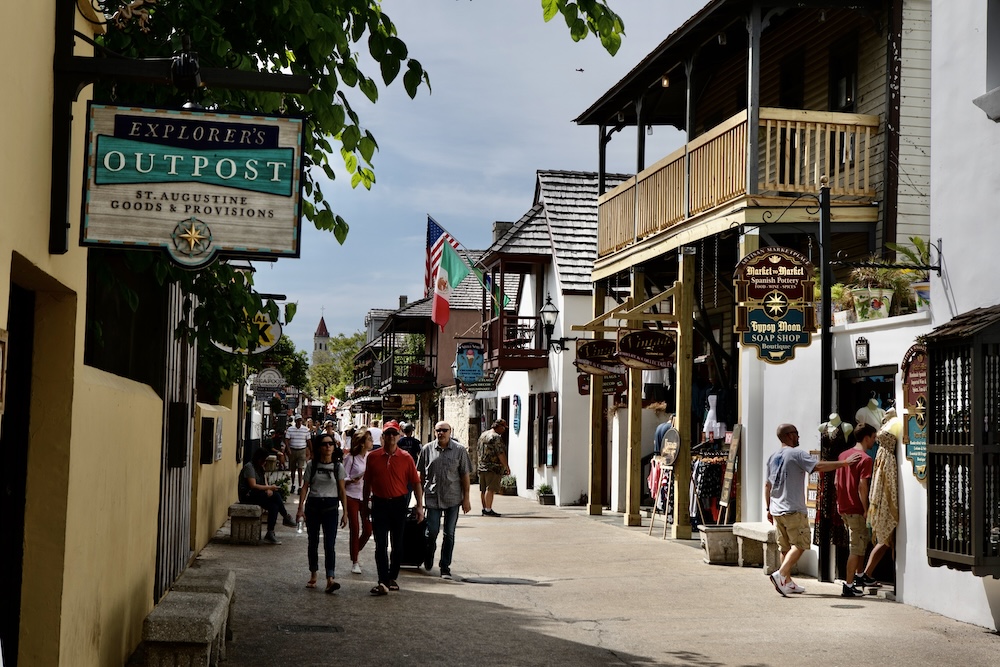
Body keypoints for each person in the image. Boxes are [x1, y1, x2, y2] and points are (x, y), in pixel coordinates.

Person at [765, 423, 860, 597]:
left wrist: (768, 508)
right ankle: (780, 574)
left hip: (777, 509)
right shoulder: (796, 454)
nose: (798, 437)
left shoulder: (773, 457)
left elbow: (767, 485)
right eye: (796, 433)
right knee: (800, 544)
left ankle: (787, 582)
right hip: (793, 508)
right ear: (788, 435)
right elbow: (819, 467)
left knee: (785, 547)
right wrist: (845, 463)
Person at [363, 420, 424, 596]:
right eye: (387, 434)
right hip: (379, 503)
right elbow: (367, 483)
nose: (390, 437)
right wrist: (365, 505)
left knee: (397, 545)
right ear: (383, 437)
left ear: (398, 436)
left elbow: (416, 482)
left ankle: (392, 577)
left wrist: (419, 506)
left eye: (393, 434)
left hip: (398, 503)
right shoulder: (373, 457)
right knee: (380, 544)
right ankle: (383, 580)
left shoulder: (406, 458)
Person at [416, 421, 472, 579]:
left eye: (444, 430)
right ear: (434, 432)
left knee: (449, 534)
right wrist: (418, 501)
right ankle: (428, 555)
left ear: (450, 431)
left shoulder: (459, 450)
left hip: (453, 497)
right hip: (433, 497)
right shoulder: (427, 449)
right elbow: (420, 476)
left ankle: (445, 567)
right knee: (431, 532)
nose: (441, 433)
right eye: (438, 430)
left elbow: (465, 476)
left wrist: (466, 498)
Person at [296, 432, 348, 593]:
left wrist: (345, 512)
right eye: (325, 444)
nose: (328, 447)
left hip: (331, 507)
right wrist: (300, 509)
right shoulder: (312, 465)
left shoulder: (338, 466)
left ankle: (330, 578)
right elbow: (305, 487)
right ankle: (313, 574)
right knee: (313, 542)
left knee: (329, 544)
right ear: (319, 447)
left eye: (330, 444)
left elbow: (342, 490)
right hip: (313, 506)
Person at [835, 422, 875, 597]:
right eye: (873, 438)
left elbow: (837, 483)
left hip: (844, 507)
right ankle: (849, 585)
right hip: (856, 508)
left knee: (860, 543)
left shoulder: (843, 455)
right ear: (866, 438)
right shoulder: (865, 459)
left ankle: (858, 577)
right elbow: (862, 486)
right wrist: (866, 509)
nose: (874, 441)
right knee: (856, 548)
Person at [239, 448, 296, 544]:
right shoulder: (250, 467)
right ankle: (286, 516)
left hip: (258, 494)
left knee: (274, 506)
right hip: (248, 495)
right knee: (276, 496)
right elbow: (253, 485)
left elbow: (265, 483)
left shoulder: (260, 468)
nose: (265, 462)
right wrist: (269, 488)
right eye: (264, 460)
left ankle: (270, 532)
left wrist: (269, 489)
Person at [343, 426, 374, 574]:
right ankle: (355, 560)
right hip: (351, 495)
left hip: (365, 496)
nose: (372, 441)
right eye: (369, 439)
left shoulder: (370, 457)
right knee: (355, 528)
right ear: (362, 443)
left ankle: (355, 550)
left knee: (368, 529)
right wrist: (353, 479)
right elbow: (342, 478)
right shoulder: (350, 458)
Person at [477, 418, 509, 517]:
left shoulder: (483, 435)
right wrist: (506, 466)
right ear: (499, 427)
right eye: (503, 428)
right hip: (493, 467)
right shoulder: (496, 437)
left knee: (483, 489)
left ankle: (484, 508)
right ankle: (488, 509)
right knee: (490, 489)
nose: (504, 430)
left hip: (482, 466)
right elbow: (500, 453)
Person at [285, 414, 312, 494]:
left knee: (300, 469)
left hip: (302, 450)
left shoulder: (305, 430)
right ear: (295, 421)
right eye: (298, 420)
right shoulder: (290, 429)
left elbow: (308, 441)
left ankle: (300, 486)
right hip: (293, 450)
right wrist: (288, 449)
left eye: (300, 420)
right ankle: (293, 484)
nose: (299, 422)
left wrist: (311, 451)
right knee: (293, 469)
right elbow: (287, 439)